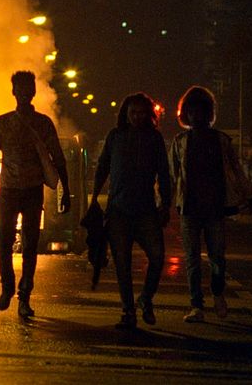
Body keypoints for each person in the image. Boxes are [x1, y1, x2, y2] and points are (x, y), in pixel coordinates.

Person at [0, 71, 71, 318]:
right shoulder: (2, 123)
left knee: (31, 245)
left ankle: (24, 295)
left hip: (33, 191)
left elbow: (59, 159)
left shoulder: (43, 124)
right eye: (19, 89)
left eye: (27, 88)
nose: (23, 93)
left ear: (33, 91)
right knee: (4, 240)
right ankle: (7, 285)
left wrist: (65, 191)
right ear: (13, 92)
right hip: (8, 191)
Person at [170, 86, 252, 323]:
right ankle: (196, 305)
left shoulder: (221, 141)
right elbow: (172, 176)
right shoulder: (179, 142)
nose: (195, 115)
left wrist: (249, 196)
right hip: (189, 209)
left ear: (208, 113)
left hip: (215, 208)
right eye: (191, 111)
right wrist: (163, 204)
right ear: (185, 114)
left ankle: (218, 293)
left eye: (201, 110)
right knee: (192, 260)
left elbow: (237, 171)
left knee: (217, 258)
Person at [90, 93, 172, 329]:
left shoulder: (154, 139)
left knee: (157, 257)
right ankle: (128, 311)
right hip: (118, 211)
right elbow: (103, 167)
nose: (137, 116)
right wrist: (94, 199)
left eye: (141, 112)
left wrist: (165, 203)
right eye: (133, 112)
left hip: (146, 210)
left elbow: (163, 173)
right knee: (122, 265)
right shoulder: (115, 137)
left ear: (149, 115)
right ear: (126, 114)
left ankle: (145, 299)